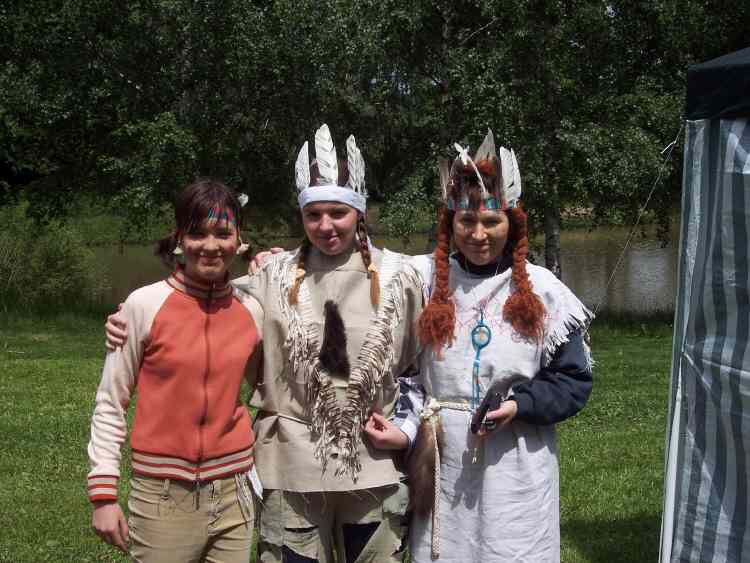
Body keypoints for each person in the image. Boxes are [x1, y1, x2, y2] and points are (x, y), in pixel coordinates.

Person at [105, 125, 425, 563]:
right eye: (314, 215)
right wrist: (131, 314)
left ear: (359, 212)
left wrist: (405, 429)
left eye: (338, 213)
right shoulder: (271, 276)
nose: (326, 226)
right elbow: (199, 298)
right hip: (291, 467)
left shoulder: (401, 276)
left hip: (374, 465)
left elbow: (419, 366)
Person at [375, 130, 593, 562]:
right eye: (466, 222)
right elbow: (353, 262)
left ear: (512, 224)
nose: (478, 234)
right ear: (450, 224)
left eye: (491, 222)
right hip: (442, 458)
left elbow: (573, 381)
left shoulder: (544, 290)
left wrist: (519, 405)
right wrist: (287, 260)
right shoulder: (421, 279)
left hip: (515, 465)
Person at [88, 179, 261, 562]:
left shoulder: (252, 306)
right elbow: (111, 402)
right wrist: (103, 494)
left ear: (239, 239)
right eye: (197, 233)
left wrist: (275, 262)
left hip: (235, 492)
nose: (211, 245)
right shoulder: (143, 305)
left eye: (223, 233)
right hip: (163, 496)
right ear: (180, 238)